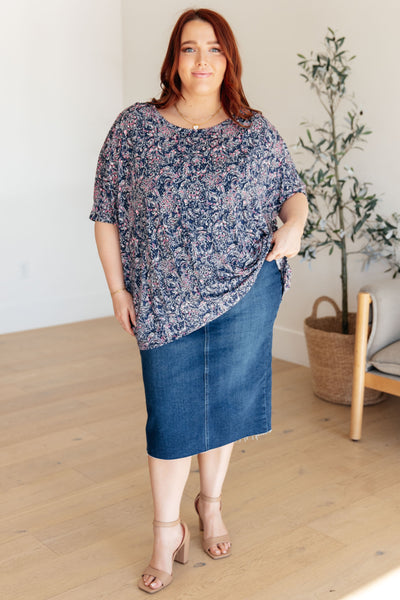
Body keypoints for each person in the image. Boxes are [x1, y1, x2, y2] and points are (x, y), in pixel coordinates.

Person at [90, 7, 308, 594]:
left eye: (214, 49)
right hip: (162, 300)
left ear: (228, 60)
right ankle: (166, 531)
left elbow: (292, 194)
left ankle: (209, 505)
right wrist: (117, 289)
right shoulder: (135, 128)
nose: (202, 59)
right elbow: (106, 213)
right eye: (190, 48)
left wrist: (294, 225)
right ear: (174, 60)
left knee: (224, 408)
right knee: (170, 417)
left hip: (246, 290)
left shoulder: (254, 131)